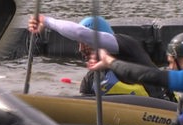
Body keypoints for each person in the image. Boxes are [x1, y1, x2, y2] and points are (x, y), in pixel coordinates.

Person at [28, 15, 173, 101]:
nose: (80, 50)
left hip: (162, 111)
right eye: (79, 44)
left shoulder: (128, 47)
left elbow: (80, 32)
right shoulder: (90, 80)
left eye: (85, 44)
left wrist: (45, 21)